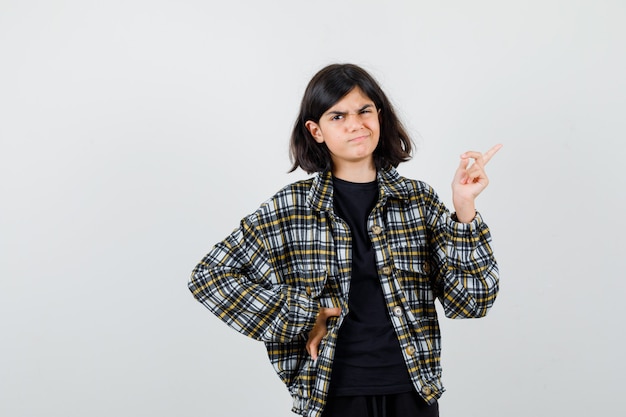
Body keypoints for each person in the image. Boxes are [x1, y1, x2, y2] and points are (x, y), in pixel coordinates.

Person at [188, 63, 501, 417]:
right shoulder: (292, 207)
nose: (355, 124)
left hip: (413, 390)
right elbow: (210, 276)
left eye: (364, 110)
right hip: (332, 394)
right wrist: (306, 315)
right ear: (315, 130)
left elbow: (473, 302)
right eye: (337, 116)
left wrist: (464, 209)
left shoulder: (418, 200)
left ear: (379, 117)